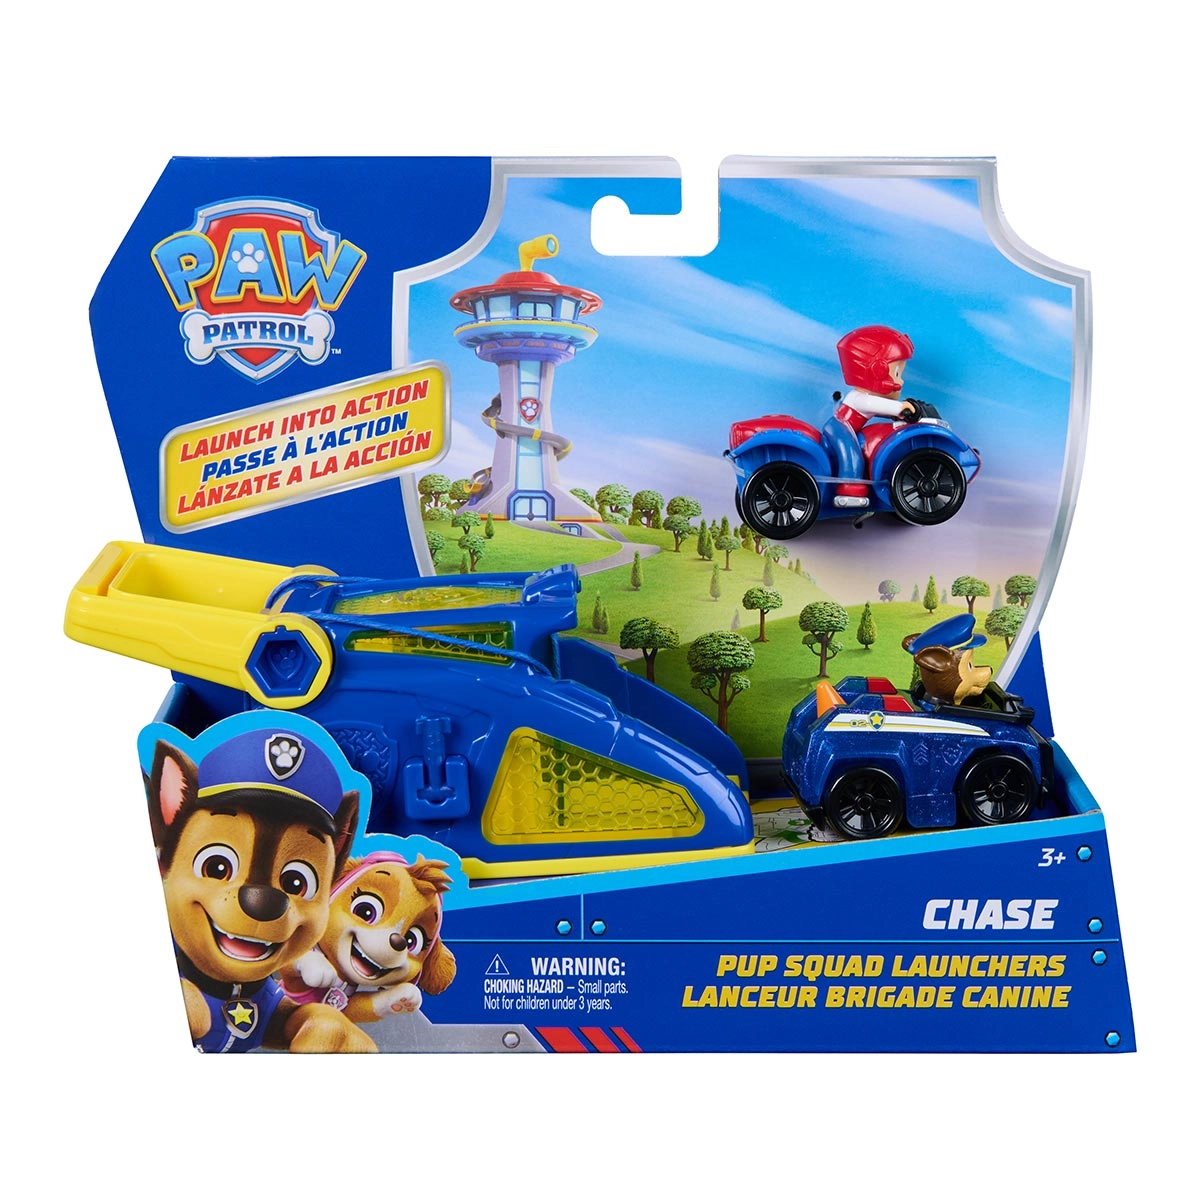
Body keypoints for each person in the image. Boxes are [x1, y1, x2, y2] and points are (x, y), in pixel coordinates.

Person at [824, 325, 918, 507]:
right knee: (852, 455)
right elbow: (877, 405)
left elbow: (880, 409)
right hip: (840, 427)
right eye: (897, 373)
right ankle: (849, 490)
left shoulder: (862, 396)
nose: (901, 380)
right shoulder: (862, 398)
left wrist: (899, 414)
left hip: (841, 425)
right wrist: (901, 408)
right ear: (877, 371)